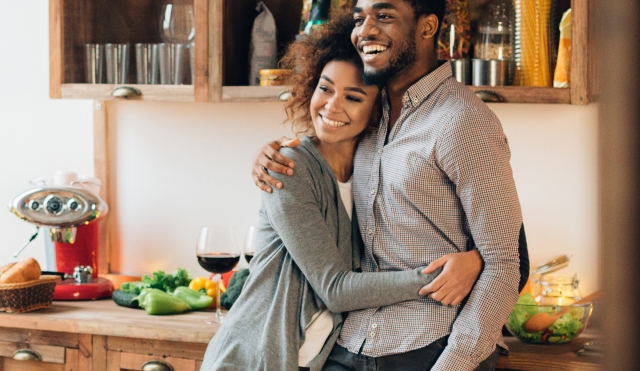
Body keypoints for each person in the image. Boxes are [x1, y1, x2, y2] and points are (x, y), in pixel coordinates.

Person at [251, 0, 528, 369]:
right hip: (348, 346)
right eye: (359, 18)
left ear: (428, 27)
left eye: (384, 16)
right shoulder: (368, 113)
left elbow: (505, 263)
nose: (365, 30)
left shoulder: (463, 122)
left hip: (427, 348)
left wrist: (455, 363)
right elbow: (320, 148)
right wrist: (269, 155)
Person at [200, 15, 446, 371]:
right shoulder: (290, 167)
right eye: (325, 88)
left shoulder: (374, 170)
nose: (331, 106)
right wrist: (439, 278)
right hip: (250, 359)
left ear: (378, 108)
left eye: (353, 96)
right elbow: (336, 288)